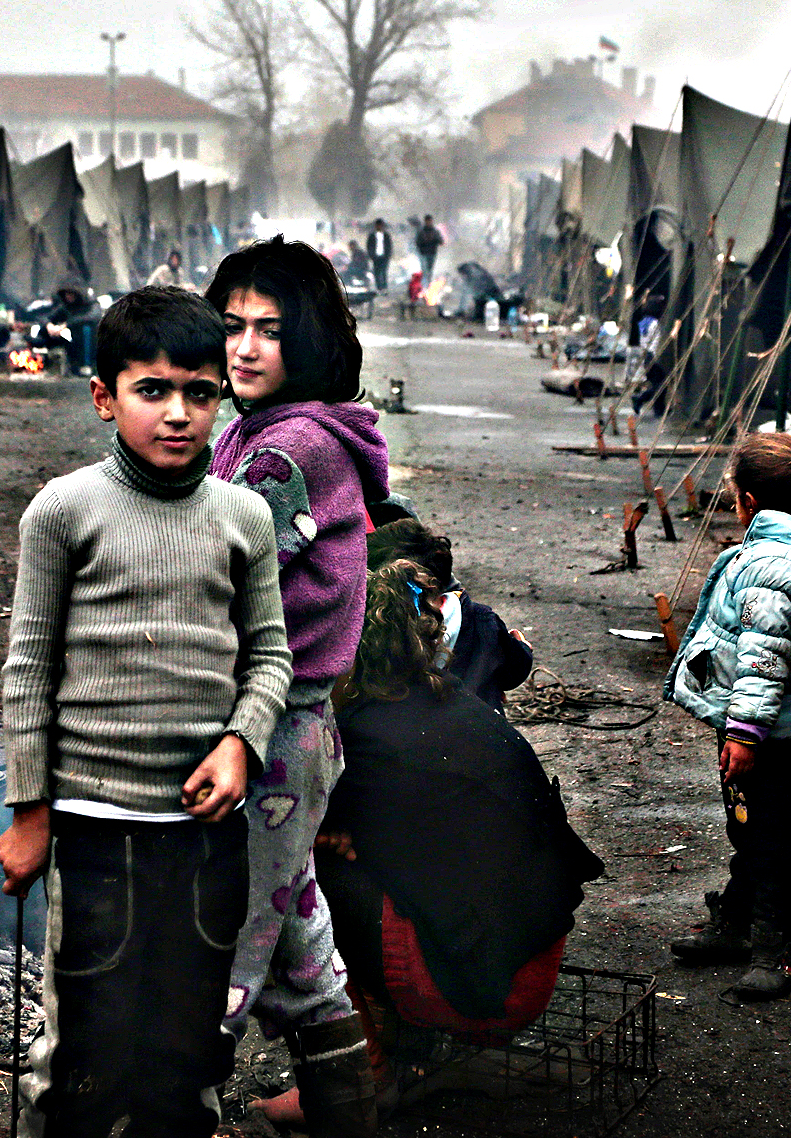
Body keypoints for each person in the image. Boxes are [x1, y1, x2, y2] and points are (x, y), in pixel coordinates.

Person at [0, 286, 294, 1138]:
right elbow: (28, 670)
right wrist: (30, 812)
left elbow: (270, 655)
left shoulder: (243, 516)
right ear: (104, 397)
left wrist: (242, 743)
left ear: (222, 399)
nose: (178, 414)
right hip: (93, 831)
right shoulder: (63, 510)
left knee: (187, 1055)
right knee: (83, 1061)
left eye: (200, 393)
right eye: (152, 390)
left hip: (205, 838)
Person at [208, 235, 388, 1137]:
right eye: (233, 325)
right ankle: (344, 1111)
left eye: (269, 331)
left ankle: (171, 1102)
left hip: (269, 732)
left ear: (306, 340)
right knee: (298, 942)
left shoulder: (288, 452)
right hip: (291, 727)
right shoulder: (257, 430)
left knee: (223, 946)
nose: (243, 346)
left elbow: (223, 588)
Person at [316, 561, 603, 1100]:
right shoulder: (453, 702)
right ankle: (405, 1046)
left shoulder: (360, 739)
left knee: (292, 889)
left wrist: (323, 837)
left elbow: (301, 837)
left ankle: (361, 1075)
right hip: (531, 963)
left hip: (479, 993)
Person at [664, 432, 791, 998]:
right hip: (769, 725)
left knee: (764, 834)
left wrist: (745, 734)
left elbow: (764, 658)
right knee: (753, 827)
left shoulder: (770, 563)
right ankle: (735, 921)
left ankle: (779, 950)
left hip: (763, 730)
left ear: (747, 500)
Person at [365, 518, 532, 716]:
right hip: (480, 731)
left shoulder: (375, 628)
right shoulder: (480, 619)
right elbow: (512, 673)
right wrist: (522, 646)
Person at [414, 215, 443, 289]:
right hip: (423, 253)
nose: (428, 222)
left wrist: (436, 240)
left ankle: (428, 284)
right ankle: (424, 286)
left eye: (430, 221)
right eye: (427, 221)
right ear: (425, 221)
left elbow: (441, 241)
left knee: (430, 270)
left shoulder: (435, 231)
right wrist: (422, 244)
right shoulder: (421, 231)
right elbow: (417, 242)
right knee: (424, 269)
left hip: (432, 253)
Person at [364, 219, 392, 294]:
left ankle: (384, 288)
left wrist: (388, 255)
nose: (379, 226)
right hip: (375, 257)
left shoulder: (386, 235)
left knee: (384, 272)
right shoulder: (372, 235)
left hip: (384, 257)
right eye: (377, 225)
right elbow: (368, 246)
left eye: (380, 225)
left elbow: (389, 246)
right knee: (376, 272)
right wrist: (371, 256)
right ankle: (379, 288)